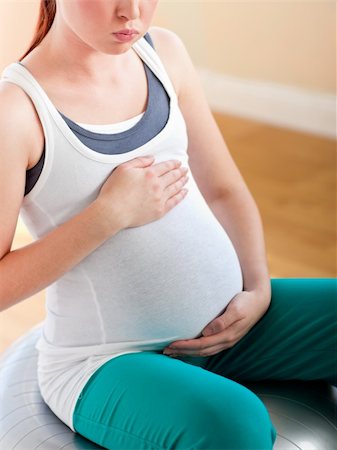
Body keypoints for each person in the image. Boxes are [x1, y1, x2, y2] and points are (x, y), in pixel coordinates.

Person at [0, 1, 335, 449]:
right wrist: (109, 215)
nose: (131, 13)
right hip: (108, 362)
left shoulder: (164, 54)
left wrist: (257, 288)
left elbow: (224, 190)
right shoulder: (16, 113)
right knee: (235, 423)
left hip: (227, 330)